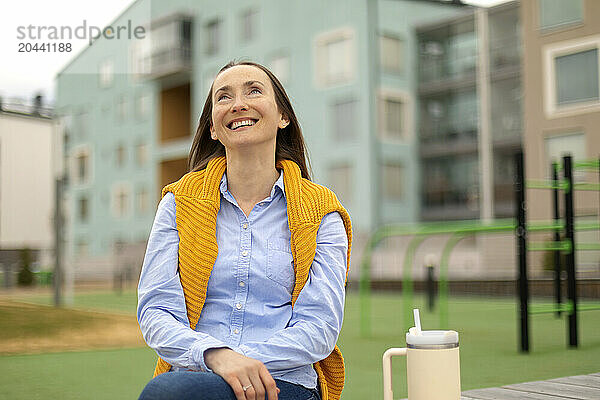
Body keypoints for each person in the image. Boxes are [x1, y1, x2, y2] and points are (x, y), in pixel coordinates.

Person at [137, 60, 352, 400]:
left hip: (283, 383)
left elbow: (319, 328)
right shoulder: (178, 203)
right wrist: (216, 357)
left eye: (253, 91)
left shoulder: (322, 211)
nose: (238, 104)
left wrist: (245, 362)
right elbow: (156, 312)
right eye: (223, 97)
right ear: (213, 128)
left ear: (283, 117)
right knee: (176, 391)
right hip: (199, 374)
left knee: (171, 393)